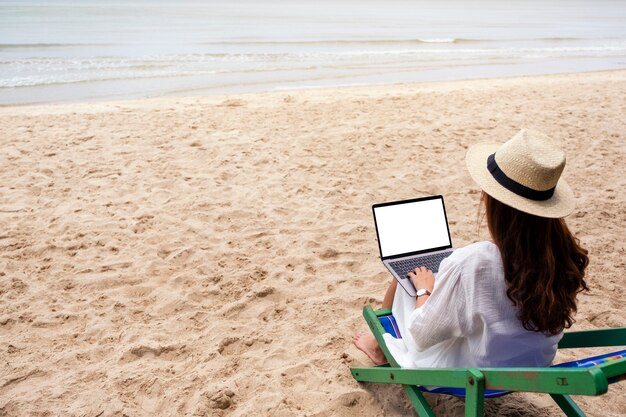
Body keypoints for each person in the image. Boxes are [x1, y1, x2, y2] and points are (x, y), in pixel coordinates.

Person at [353, 129, 589, 369]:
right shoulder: (562, 256)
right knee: (435, 282)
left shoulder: (474, 262)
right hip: (534, 362)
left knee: (410, 280)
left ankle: (377, 343)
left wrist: (425, 291)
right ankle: (378, 338)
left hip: (478, 369)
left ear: (493, 203)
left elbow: (420, 336)